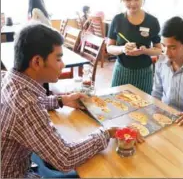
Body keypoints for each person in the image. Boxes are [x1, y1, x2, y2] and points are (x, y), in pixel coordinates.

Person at [0, 23, 144, 178]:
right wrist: (108, 132)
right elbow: (66, 158)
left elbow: (28, 106)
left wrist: (63, 100)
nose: (63, 65)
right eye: (58, 59)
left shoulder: (8, 78)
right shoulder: (26, 105)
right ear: (37, 62)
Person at [107, 0, 162, 94]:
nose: (133, 3)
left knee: (143, 108)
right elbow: (109, 48)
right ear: (122, 0)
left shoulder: (152, 21)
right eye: (128, 0)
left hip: (144, 73)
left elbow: (158, 50)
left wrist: (144, 51)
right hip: (122, 71)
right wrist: (122, 49)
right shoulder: (117, 20)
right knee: (117, 105)